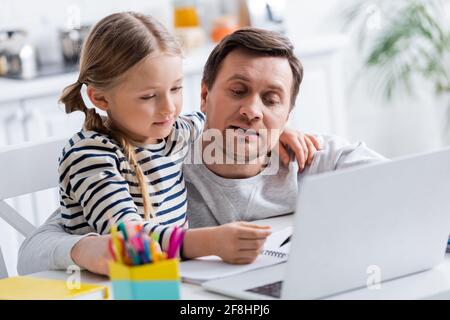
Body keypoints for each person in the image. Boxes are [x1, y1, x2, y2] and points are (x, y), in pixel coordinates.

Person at [18, 27, 385, 276]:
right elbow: (34, 250)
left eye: (271, 100)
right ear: (205, 96)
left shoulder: (312, 156)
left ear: (289, 112)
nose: (253, 109)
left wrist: (272, 128)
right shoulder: (163, 157)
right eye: (238, 91)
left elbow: (416, 191)